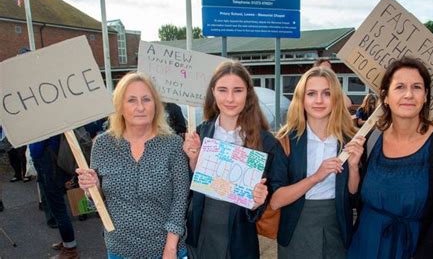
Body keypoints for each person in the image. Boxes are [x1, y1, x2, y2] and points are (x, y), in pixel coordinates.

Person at [347, 57, 433, 258]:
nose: (409, 94)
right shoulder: (372, 140)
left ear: (425, 96)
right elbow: (356, 201)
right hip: (363, 246)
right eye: (399, 87)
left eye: (417, 87)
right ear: (385, 96)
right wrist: (353, 168)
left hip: (411, 250)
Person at [77, 72, 189, 259]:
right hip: (119, 249)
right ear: (119, 106)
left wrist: (171, 248)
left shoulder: (173, 144)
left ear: (156, 105)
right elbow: (97, 203)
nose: (140, 107)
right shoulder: (103, 145)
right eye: (131, 100)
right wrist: (92, 189)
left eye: (146, 99)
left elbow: (180, 200)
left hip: (165, 250)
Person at [183, 60, 282, 259]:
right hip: (200, 232)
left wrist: (257, 201)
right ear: (213, 92)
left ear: (248, 93)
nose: (230, 98)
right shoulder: (200, 133)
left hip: (239, 238)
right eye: (222, 90)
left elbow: (264, 198)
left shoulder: (267, 143)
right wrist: (193, 159)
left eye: (237, 90)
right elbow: (190, 185)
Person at [269, 66, 364, 258]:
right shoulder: (285, 140)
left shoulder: (350, 140)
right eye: (311, 93)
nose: (319, 100)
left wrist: (354, 168)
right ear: (301, 99)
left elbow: (354, 198)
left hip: (337, 226)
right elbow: (276, 200)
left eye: (326, 93)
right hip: (296, 228)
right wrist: (316, 177)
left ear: (336, 98)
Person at [30, 135, 78, 259]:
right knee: (59, 209)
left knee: (59, 210)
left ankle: (70, 250)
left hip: (50, 171)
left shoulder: (42, 126)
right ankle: (67, 242)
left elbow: (36, 150)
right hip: (53, 168)